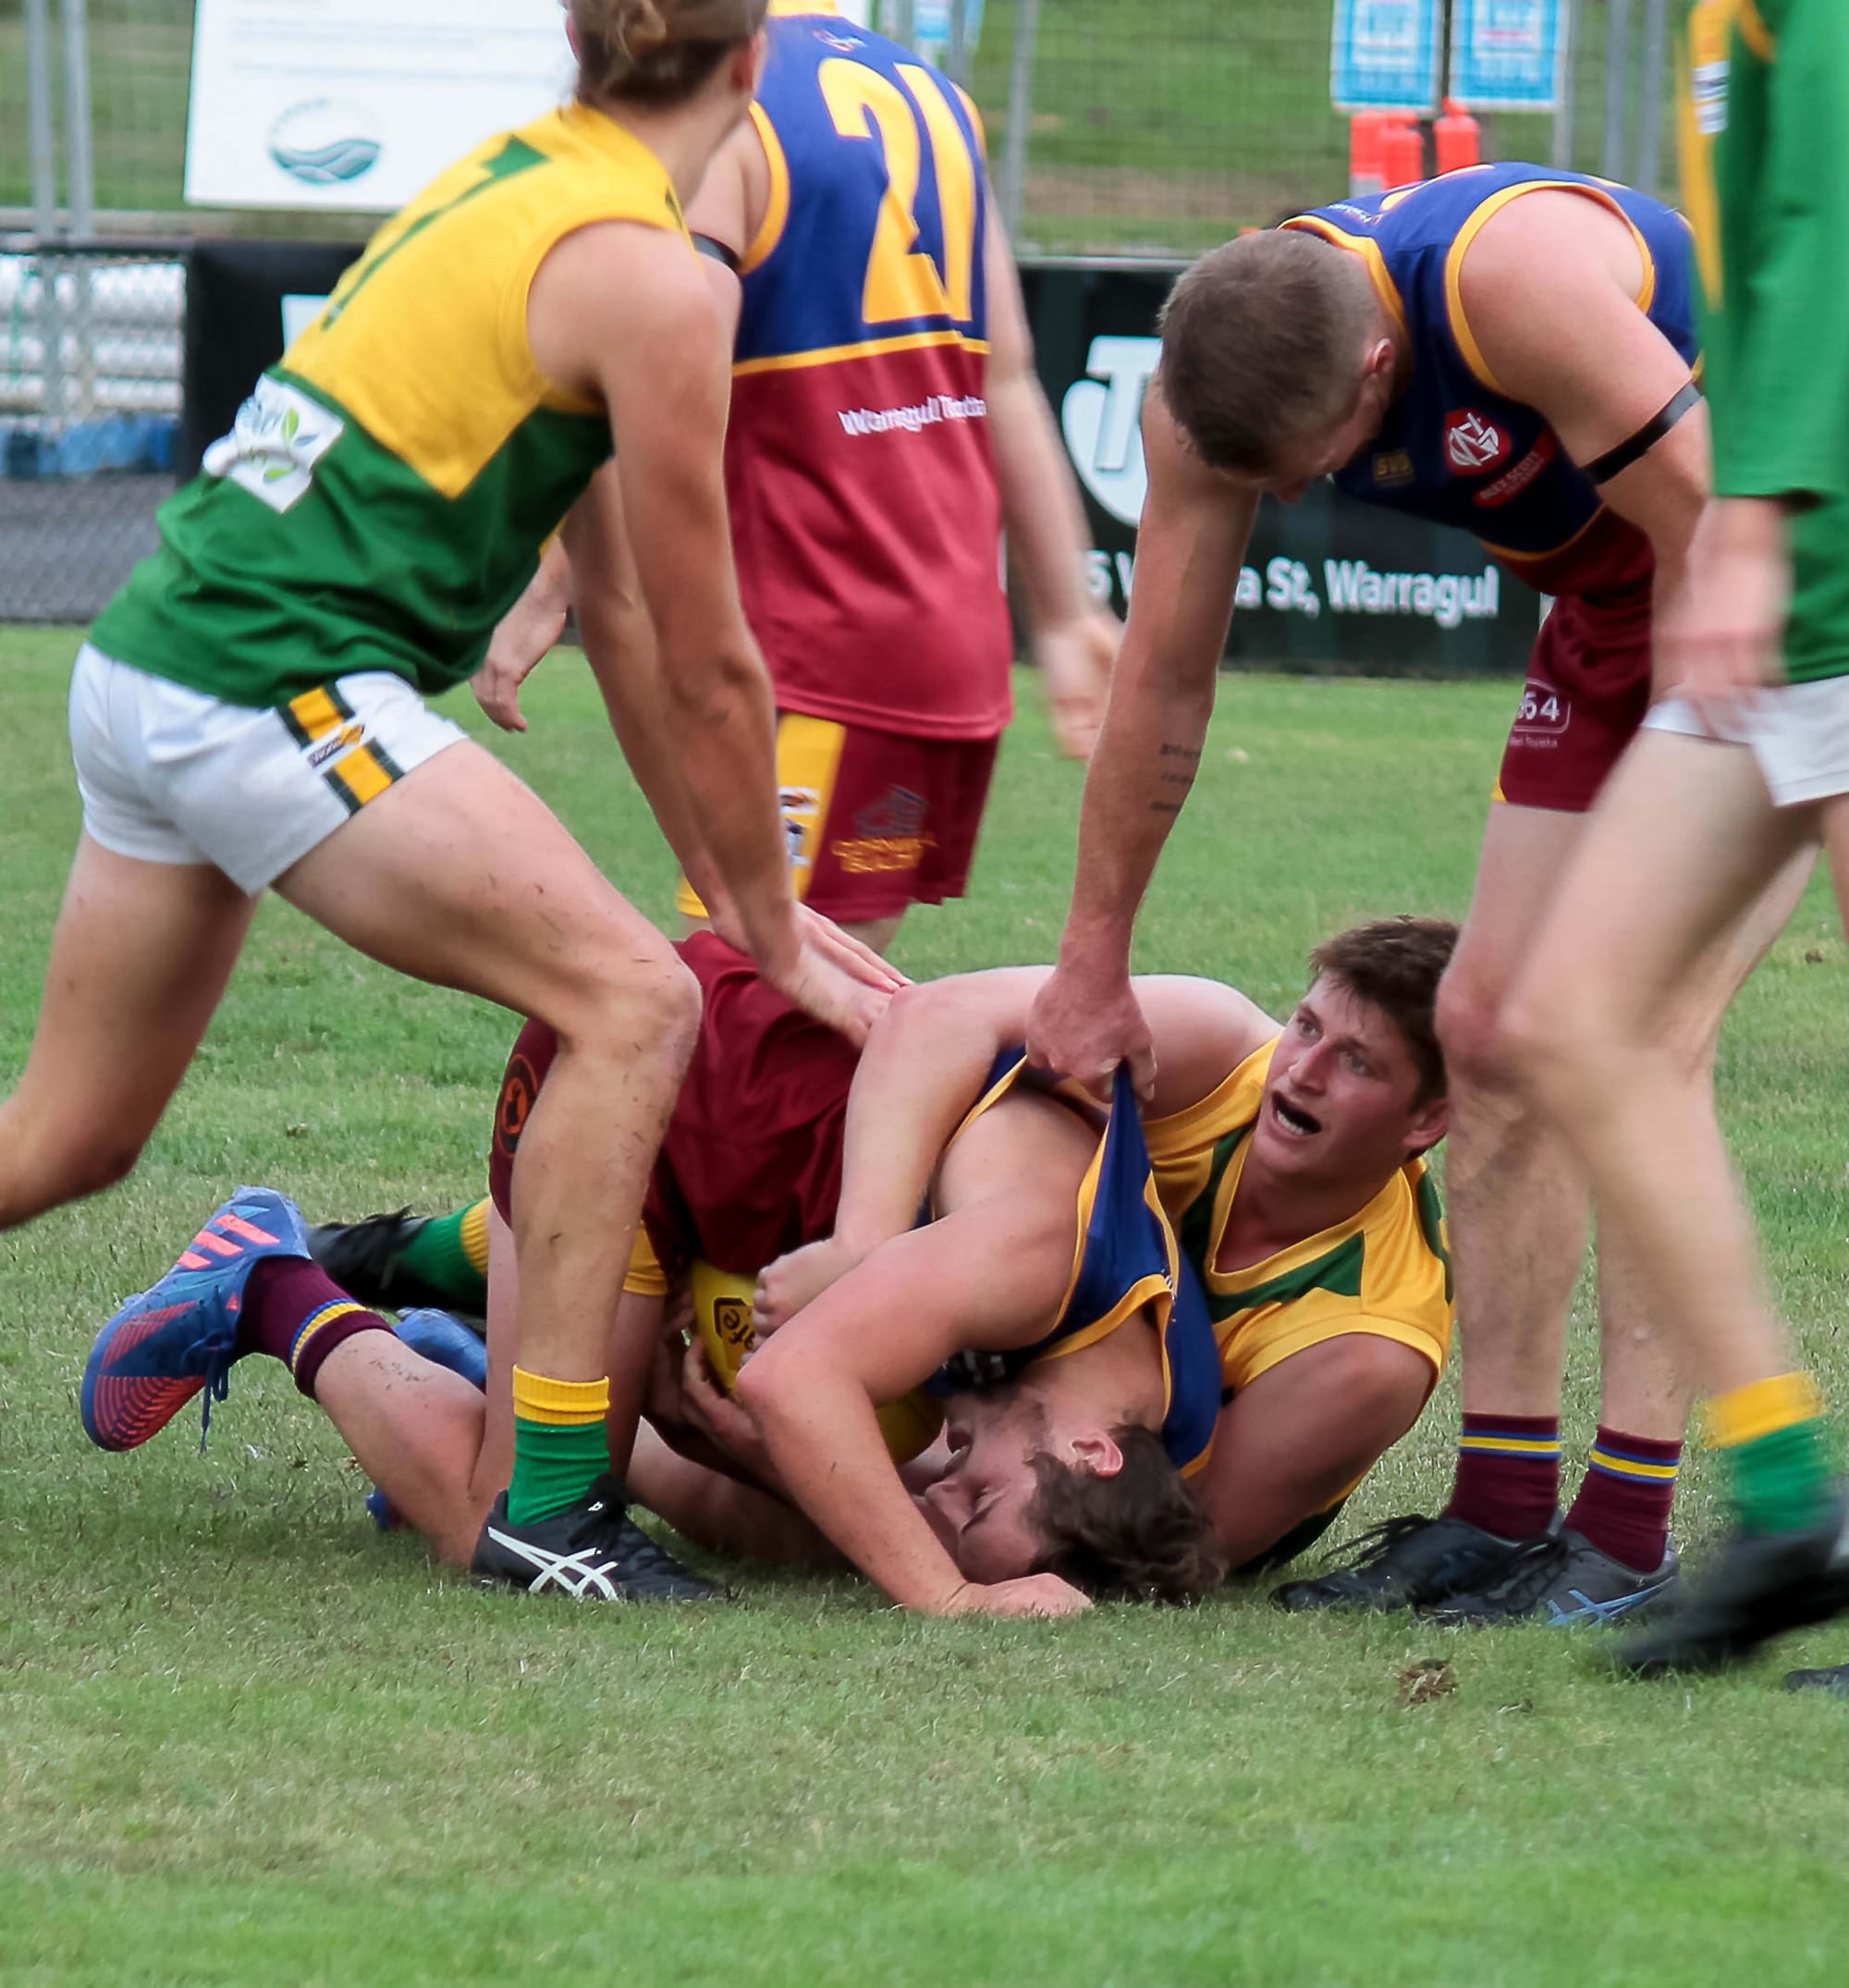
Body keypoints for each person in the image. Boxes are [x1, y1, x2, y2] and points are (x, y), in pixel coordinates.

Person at [44, 0, 899, 1603]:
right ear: (749, 71)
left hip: (161, 662)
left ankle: (344, 1336)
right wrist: (770, 934)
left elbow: (631, 624)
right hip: (265, 678)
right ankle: (552, 1515)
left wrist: (732, 891)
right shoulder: (656, 277)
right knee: (635, 1003)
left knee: (63, 1144)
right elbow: (713, 666)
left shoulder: (515, 175)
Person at [1018, 163, 1813, 1628]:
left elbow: (1728, 547)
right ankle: (1505, 1515)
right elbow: (1166, 681)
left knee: (1630, 1038)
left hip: (1775, 580)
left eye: (1319, 454)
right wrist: (1092, 960)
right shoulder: (1211, 392)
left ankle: (1632, 1531)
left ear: (1382, 361)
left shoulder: (1516, 283)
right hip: (1614, 606)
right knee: (1490, 1025)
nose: (1302, 494)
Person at [143, 917, 1458, 1613]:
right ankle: (274, 1281)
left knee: (814, 1510)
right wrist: (941, 1592)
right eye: (972, 1494)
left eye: (1356, 1063)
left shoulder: (1191, 1385)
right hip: (656, 1090)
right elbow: (803, 1384)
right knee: (523, 1530)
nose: (943, 1485)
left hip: (752, 1194)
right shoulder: (1039, 1256)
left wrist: (875, 1498)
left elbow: (1158, 1543)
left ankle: (487, 1356)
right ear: (1105, 1449)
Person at [476, 0, 1116, 951]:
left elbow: (668, 383)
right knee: (805, 1015)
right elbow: (1008, 368)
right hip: (939, 631)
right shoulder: (931, 94)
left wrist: (558, 577)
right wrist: (1063, 612)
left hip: (814, 626)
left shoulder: (709, 94)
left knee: (758, 1006)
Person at [1498, 0, 1849, 1675]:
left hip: (1822, 561)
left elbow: (1830, 221)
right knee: (1569, 1016)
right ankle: (1793, 1500)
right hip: (1796, 588)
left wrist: (1761, 518)